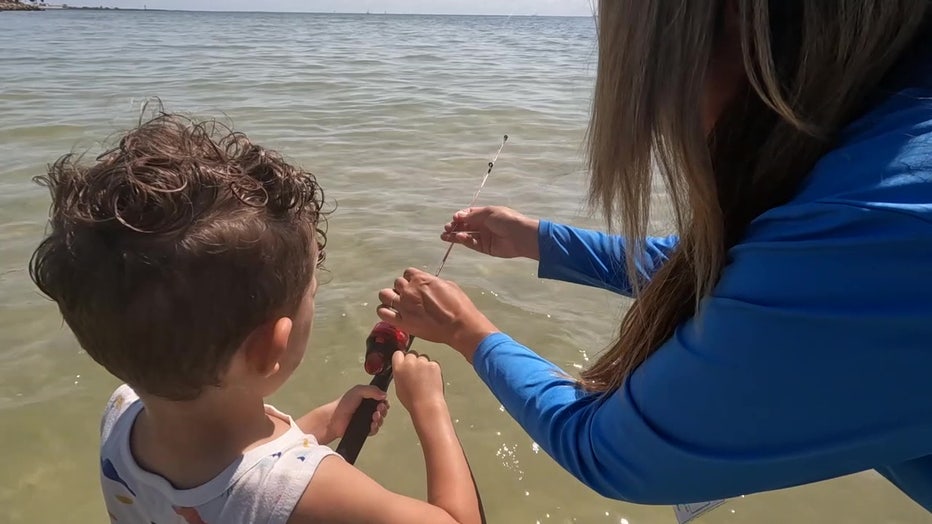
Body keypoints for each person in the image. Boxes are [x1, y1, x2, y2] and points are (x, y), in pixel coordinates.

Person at [376, 0, 932, 513]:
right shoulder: (886, 139)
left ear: (736, 26)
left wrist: (467, 332)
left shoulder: (867, 225)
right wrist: (536, 239)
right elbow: (735, 272)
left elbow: (608, 448)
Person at [29, 111, 483, 524]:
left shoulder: (122, 409)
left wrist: (318, 427)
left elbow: (231, 481)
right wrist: (429, 407)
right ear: (271, 346)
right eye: (311, 292)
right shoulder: (319, 494)